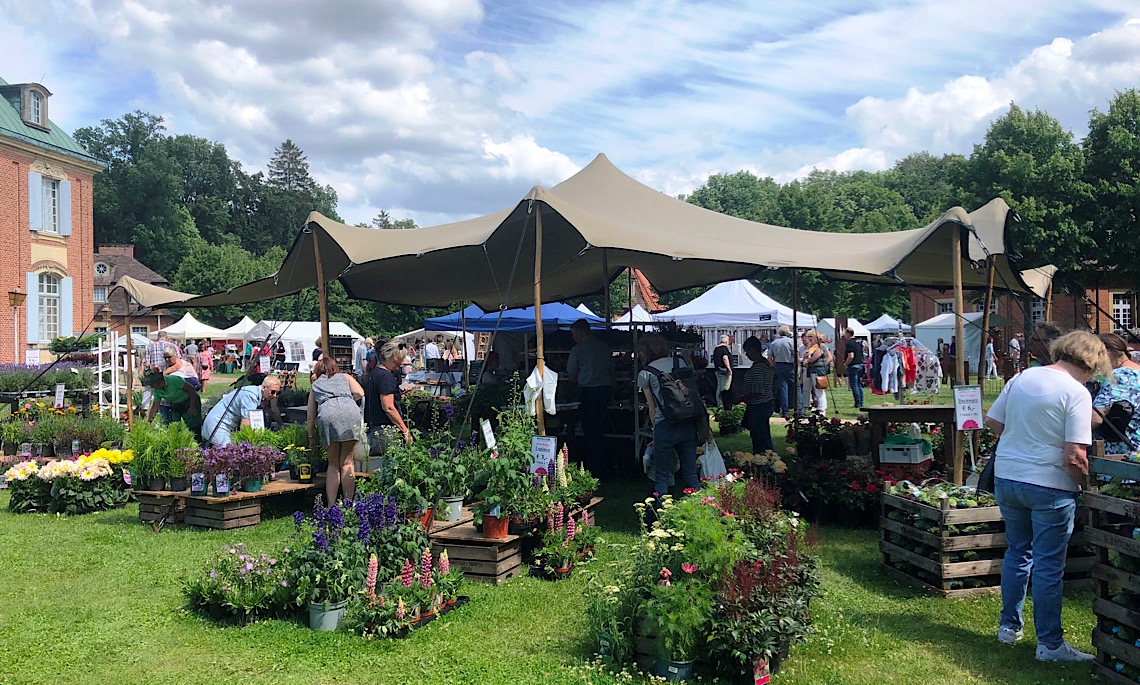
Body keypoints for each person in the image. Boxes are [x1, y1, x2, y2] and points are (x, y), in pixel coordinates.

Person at [984, 330, 1111, 662]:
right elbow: (1074, 456)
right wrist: (1085, 486)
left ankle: (1008, 628)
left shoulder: (1023, 377)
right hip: (1049, 486)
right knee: (1049, 565)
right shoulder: (1077, 392)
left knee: (1017, 553)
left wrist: (1024, 438)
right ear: (1093, 362)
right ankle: (1050, 644)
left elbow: (993, 422)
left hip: (1007, 476)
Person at [637, 333, 699, 497]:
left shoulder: (646, 373)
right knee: (691, 474)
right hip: (688, 421)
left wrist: (654, 434)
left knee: (661, 477)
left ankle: (663, 518)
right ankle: (704, 510)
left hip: (665, 425)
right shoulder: (680, 362)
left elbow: (652, 408)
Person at [308, 357, 366, 503]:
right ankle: (348, 503)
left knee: (333, 464)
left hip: (329, 414)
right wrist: (346, 400)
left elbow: (310, 415)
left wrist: (311, 438)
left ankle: (331, 505)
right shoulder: (345, 377)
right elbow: (360, 393)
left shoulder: (315, 384)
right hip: (350, 412)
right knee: (347, 462)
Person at [568, 319, 615, 475]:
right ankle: (603, 464)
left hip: (587, 392)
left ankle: (591, 465)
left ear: (582, 332)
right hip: (604, 390)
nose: (573, 337)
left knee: (589, 429)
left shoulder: (577, 349)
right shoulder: (604, 347)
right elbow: (612, 372)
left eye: (574, 333)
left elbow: (572, 376)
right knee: (601, 427)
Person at [1093, 332, 1140, 454]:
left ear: (1106, 354)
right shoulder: (1137, 372)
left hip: (1121, 454)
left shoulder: (1120, 377)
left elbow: (1095, 418)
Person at [365, 341, 413, 459]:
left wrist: (398, 393)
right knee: (390, 468)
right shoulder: (385, 376)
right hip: (385, 432)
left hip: (375, 428)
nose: (401, 363)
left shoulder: (375, 373)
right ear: (389, 356)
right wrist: (405, 431)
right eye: (399, 358)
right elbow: (389, 407)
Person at [201, 376, 282, 446]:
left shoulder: (254, 392)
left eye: (277, 393)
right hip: (217, 425)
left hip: (219, 423)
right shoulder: (251, 396)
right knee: (229, 452)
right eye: (273, 392)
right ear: (264, 387)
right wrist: (247, 444)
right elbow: (245, 425)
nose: (274, 395)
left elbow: (274, 410)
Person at [739, 336, 776, 453]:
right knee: (760, 434)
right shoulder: (765, 364)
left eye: (747, 351)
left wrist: (741, 398)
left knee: (760, 436)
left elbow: (757, 391)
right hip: (765, 403)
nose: (747, 355)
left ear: (753, 350)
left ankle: (766, 456)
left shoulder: (759, 367)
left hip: (760, 405)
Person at [143, 331, 179, 421]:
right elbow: (179, 360)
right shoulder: (172, 346)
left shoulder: (151, 346)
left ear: (157, 337)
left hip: (155, 373)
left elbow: (147, 363)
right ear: (166, 337)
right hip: (169, 374)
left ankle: (145, 411)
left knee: (149, 392)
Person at [769, 326, 797, 417]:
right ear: (788, 333)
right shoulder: (791, 342)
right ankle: (799, 409)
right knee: (797, 387)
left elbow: (769, 357)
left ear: (779, 333)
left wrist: (774, 365)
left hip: (779, 365)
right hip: (790, 365)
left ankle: (785, 411)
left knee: (783, 388)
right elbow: (795, 354)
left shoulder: (774, 343)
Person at [801, 330, 831, 414]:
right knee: (806, 389)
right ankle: (805, 407)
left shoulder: (821, 346)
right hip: (809, 370)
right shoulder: (809, 347)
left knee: (819, 389)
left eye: (811, 337)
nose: (809, 339)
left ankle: (822, 409)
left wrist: (808, 361)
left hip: (817, 370)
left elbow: (816, 356)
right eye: (808, 337)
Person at [843, 327, 865, 409]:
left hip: (853, 366)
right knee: (859, 385)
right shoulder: (858, 342)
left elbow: (851, 356)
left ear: (848, 333)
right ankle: (861, 402)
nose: (844, 335)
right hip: (860, 364)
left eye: (845, 333)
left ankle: (858, 403)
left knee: (854, 385)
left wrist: (845, 364)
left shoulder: (850, 343)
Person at [712, 334, 733, 409]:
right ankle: (725, 403)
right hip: (724, 371)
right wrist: (729, 369)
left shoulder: (716, 349)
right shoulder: (724, 349)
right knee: (726, 387)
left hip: (717, 370)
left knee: (719, 387)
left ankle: (719, 403)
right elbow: (725, 358)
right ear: (727, 341)